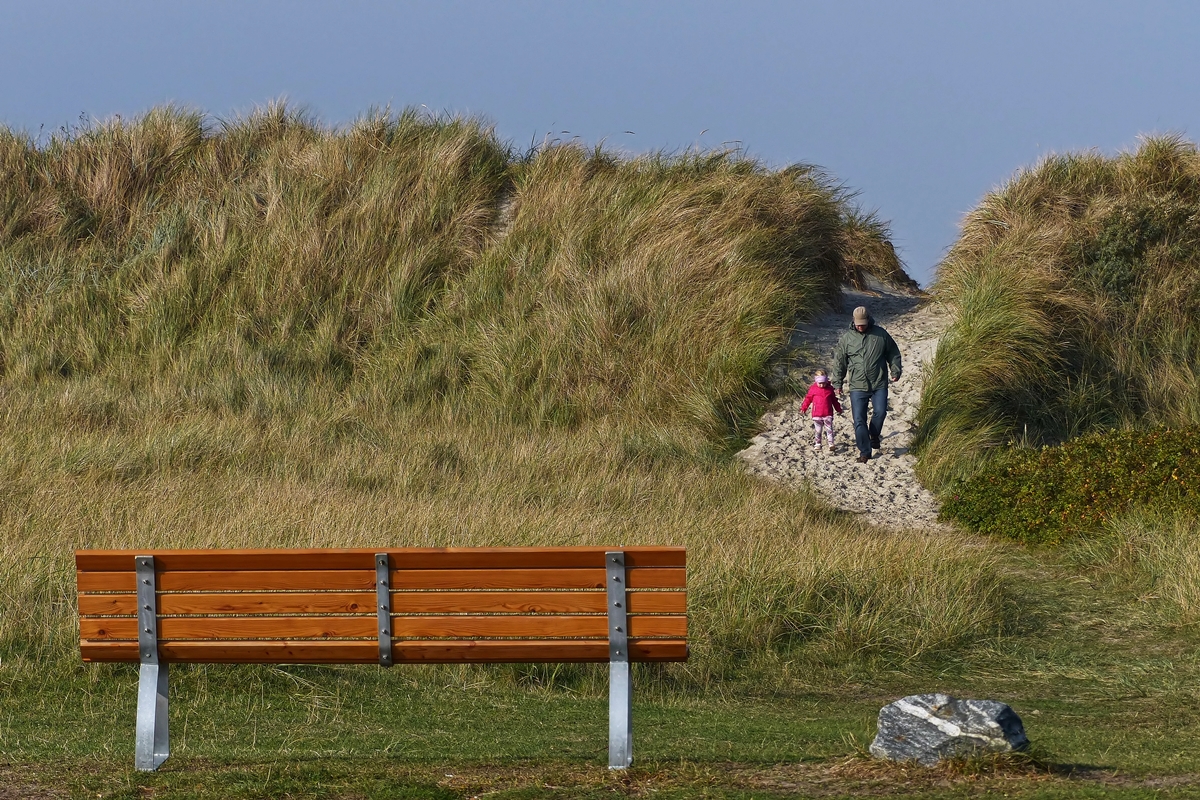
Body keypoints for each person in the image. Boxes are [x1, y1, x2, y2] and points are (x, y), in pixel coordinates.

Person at [831, 305, 902, 463]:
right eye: (858, 324)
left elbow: (893, 353)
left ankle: (874, 435)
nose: (860, 326)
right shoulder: (847, 339)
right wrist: (837, 383)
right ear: (853, 321)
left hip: (879, 382)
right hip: (857, 385)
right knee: (859, 420)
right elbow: (839, 363)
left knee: (880, 412)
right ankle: (865, 452)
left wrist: (895, 370)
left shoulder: (881, 334)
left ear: (868, 320)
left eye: (863, 323)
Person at [798, 369, 843, 452]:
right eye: (820, 383)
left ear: (826, 381)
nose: (822, 385)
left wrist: (838, 409)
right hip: (817, 414)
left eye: (824, 383)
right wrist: (803, 408)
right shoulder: (813, 389)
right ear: (816, 381)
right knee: (818, 430)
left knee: (829, 429)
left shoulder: (829, 389)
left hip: (828, 413)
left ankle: (831, 443)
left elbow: (834, 401)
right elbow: (808, 399)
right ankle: (818, 443)